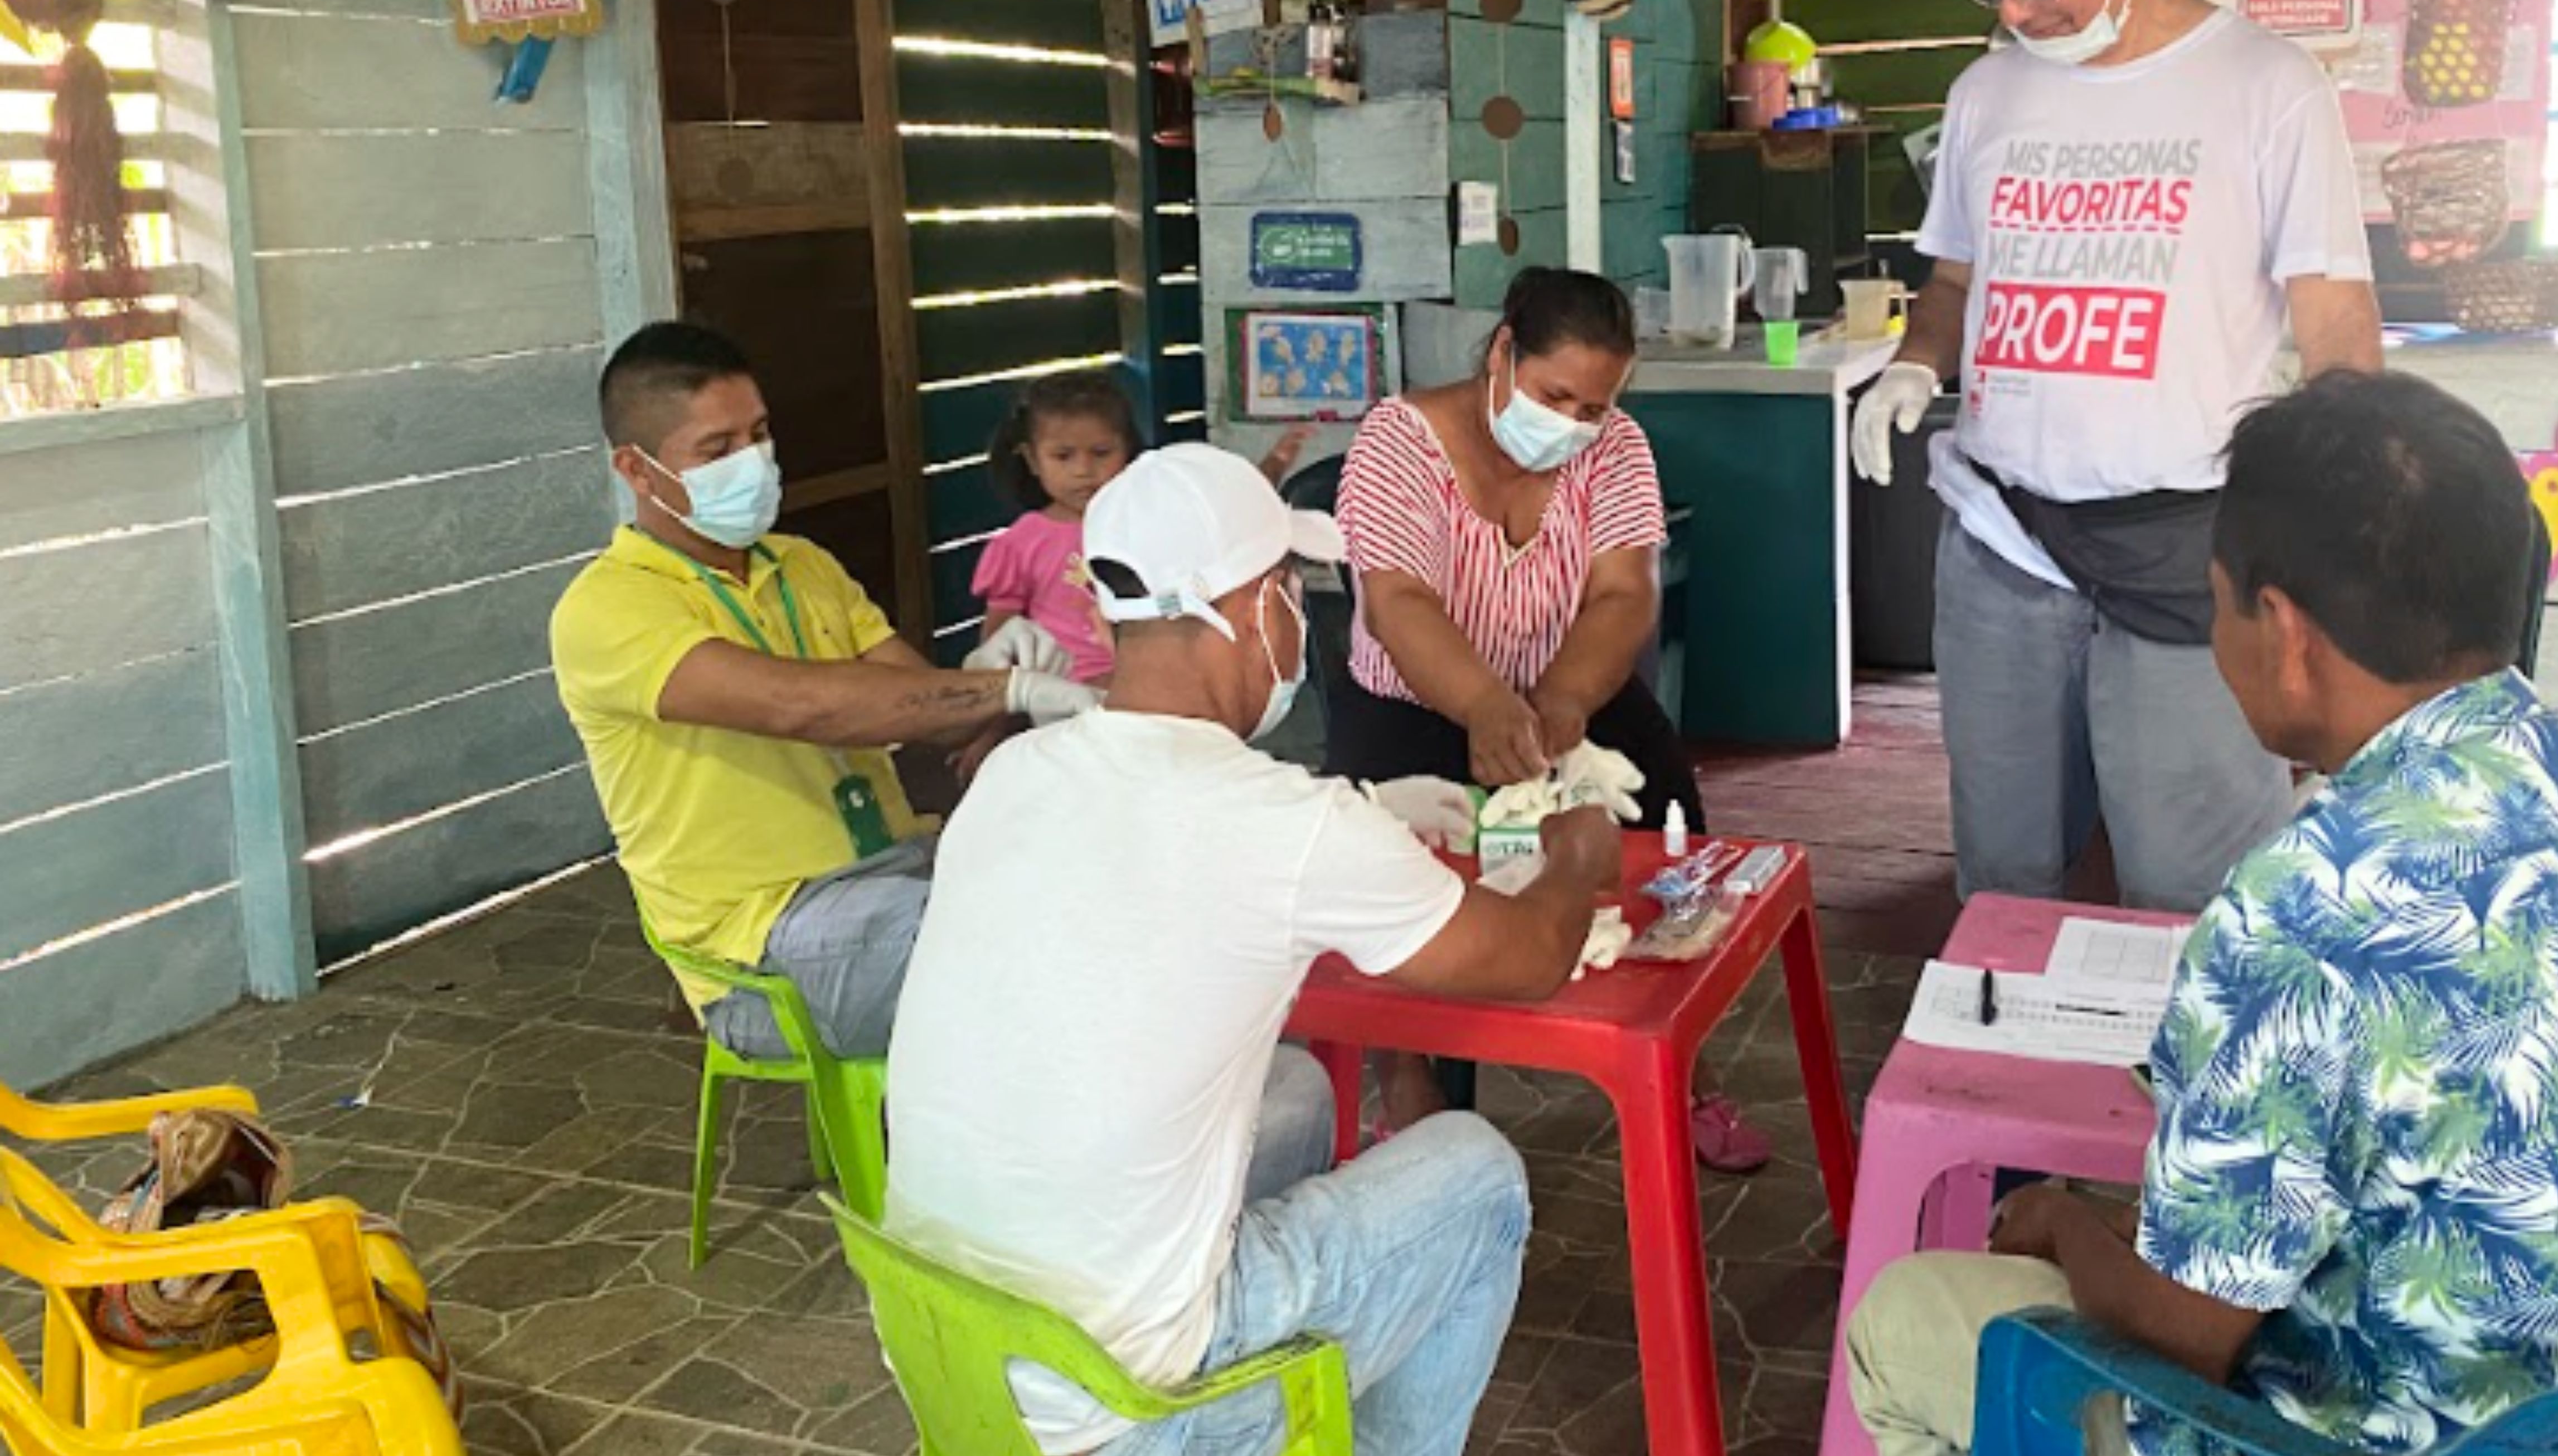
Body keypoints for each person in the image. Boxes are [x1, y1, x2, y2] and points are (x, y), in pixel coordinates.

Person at [1844, 372, 2558, 1456]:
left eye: (2214, 602)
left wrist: (2062, 1222)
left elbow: (2181, 1341)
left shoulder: (2301, 905)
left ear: (2283, 629)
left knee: (1911, 1324)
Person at [887, 443, 1625, 1456]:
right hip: (1128, 1443)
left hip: (954, 1380)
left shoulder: (1016, 776)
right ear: (1248, 609)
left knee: (1291, 1093)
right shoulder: (1282, 822)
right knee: (1474, 1174)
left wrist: (1360, 824)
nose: (1297, 621)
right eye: (1289, 590)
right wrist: (1578, 852)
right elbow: (1529, 957)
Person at [1848, 0, 2386, 915]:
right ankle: (2005, 1032)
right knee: (2004, 872)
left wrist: (2327, 534)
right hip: (2003, 533)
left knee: (2191, 882)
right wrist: (1912, 365)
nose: (2017, 8)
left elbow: (2336, 323)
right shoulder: (1987, 93)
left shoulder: (2267, 86)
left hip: (2192, 543)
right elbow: (1951, 286)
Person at [550, 322, 1098, 1062]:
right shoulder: (609, 608)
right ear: (637, 471)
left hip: (901, 874)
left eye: (759, 434)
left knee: (1095, 887)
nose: (752, 462)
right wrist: (1008, 687)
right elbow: (802, 707)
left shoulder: (803, 566)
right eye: (717, 450)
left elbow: (926, 712)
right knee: (1043, 952)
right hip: (765, 949)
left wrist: (980, 670)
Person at [1326, 266, 1765, 1169]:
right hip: (1415, 698)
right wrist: (1483, 705)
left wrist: (1562, 698)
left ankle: (1682, 1062)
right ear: (1502, 353)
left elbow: (1623, 591)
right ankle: (1406, 1076)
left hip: (1568, 687)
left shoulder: (1616, 450)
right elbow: (1400, 600)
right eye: (1553, 395)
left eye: (1594, 406)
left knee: (1663, 826)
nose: (1571, 422)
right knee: (1395, 872)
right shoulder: (1396, 443)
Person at [972, 369, 1307, 682]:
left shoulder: (1152, 519)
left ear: (1128, 451)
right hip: (1058, 694)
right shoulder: (1020, 544)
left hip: (1151, 683)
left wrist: (1273, 467)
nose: (1082, 470)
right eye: (1063, 456)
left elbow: (1226, 515)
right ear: (1032, 460)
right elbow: (999, 641)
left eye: (1101, 452)